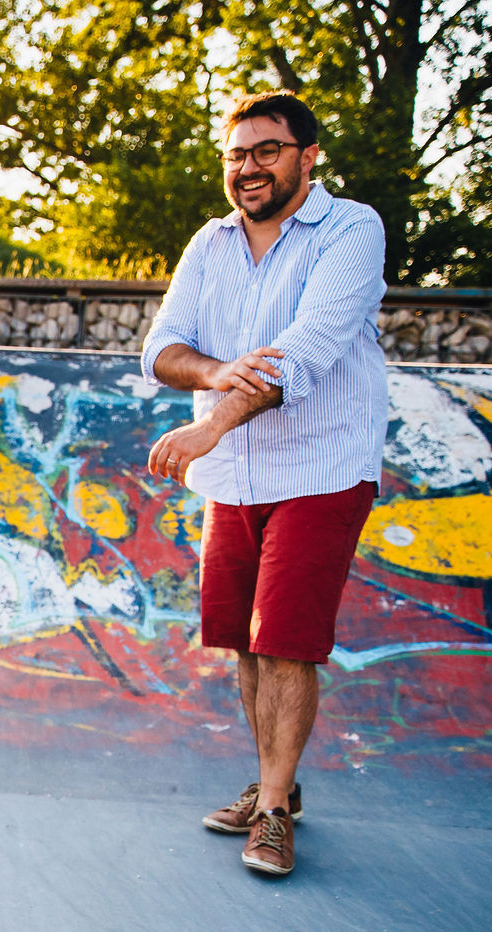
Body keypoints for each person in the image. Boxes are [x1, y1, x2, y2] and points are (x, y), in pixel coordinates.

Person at [140, 89, 388, 878]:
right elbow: (162, 349)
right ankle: (274, 782)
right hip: (233, 478)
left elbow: (305, 351)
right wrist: (216, 372)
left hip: (321, 466)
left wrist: (209, 419)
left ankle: (274, 808)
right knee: (245, 642)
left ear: (307, 157)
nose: (248, 168)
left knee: (285, 641)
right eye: (236, 154)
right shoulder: (210, 244)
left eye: (267, 151)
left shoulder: (350, 229)